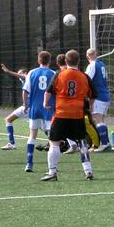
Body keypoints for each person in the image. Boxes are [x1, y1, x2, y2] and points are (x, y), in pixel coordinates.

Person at [41, 50, 96, 181]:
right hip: (77, 114)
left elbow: (48, 92)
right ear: (78, 61)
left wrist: (45, 103)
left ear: (66, 61)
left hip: (61, 113)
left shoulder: (59, 75)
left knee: (54, 143)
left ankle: (52, 172)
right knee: (82, 142)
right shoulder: (84, 76)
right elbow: (93, 95)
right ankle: (88, 171)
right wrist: (91, 107)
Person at [21, 52, 56, 172]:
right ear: (50, 61)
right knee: (52, 138)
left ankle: (29, 164)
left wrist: (25, 104)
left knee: (32, 136)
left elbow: (25, 91)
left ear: (39, 60)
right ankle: (51, 167)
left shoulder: (32, 72)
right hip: (48, 108)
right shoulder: (53, 74)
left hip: (35, 108)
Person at [85, 48, 112, 152]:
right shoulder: (102, 65)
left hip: (98, 96)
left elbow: (87, 80)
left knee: (98, 120)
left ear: (87, 56)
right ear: (97, 54)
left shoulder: (92, 65)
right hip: (105, 95)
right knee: (101, 120)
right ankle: (106, 142)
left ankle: (105, 143)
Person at [0, 64, 28, 150]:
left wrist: (8, 71)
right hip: (28, 107)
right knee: (42, 126)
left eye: (20, 73)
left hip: (28, 108)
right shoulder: (26, 81)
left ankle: (12, 143)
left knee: (42, 127)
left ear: (25, 73)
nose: (19, 76)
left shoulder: (27, 78)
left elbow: (22, 76)